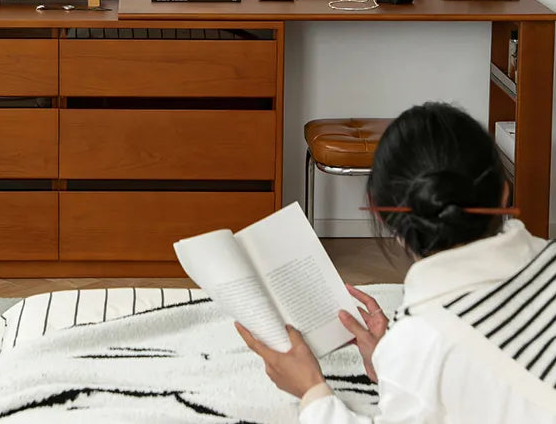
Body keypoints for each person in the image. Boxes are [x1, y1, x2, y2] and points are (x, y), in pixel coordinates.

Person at [237, 101, 556, 422]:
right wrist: (395, 362)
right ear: (504, 194)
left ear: (385, 217)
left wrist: (312, 390)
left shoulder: (421, 345)